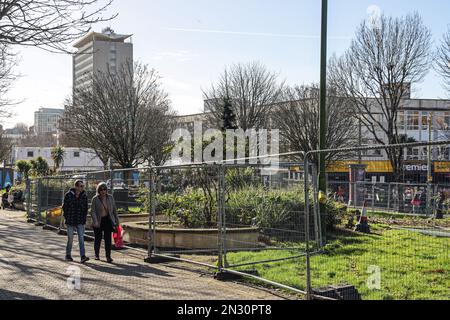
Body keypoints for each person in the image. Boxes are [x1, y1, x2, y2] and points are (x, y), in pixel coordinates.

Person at [90, 182, 120, 263]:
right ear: (98, 190)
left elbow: (114, 210)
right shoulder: (95, 199)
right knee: (98, 239)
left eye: (105, 189)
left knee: (108, 239)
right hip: (98, 221)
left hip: (107, 220)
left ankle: (108, 256)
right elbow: (92, 211)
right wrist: (95, 221)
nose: (103, 191)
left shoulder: (110, 198)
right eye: (101, 190)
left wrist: (117, 221)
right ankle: (97, 255)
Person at [62, 180, 90, 264]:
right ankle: (68, 255)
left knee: (81, 238)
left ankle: (82, 256)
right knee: (70, 238)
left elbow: (85, 208)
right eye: (81, 186)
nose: (82, 187)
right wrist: (66, 217)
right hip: (70, 220)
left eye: (83, 186)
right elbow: (65, 207)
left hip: (80, 220)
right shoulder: (68, 195)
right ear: (76, 187)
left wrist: (84, 219)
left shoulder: (84, 196)